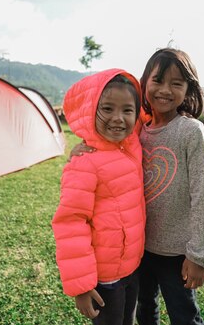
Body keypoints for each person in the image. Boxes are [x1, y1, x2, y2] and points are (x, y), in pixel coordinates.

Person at [72, 49, 204, 325]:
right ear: (144, 84)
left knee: (184, 315)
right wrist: (83, 148)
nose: (165, 90)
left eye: (176, 83)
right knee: (145, 310)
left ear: (188, 88)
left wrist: (200, 255)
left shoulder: (190, 131)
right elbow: (107, 145)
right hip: (139, 250)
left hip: (177, 253)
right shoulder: (137, 129)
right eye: (158, 81)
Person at [52, 69, 147, 325]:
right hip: (105, 278)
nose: (118, 118)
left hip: (131, 267)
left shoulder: (132, 145)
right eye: (107, 108)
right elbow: (71, 223)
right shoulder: (85, 162)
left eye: (127, 110)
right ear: (90, 110)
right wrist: (81, 286)